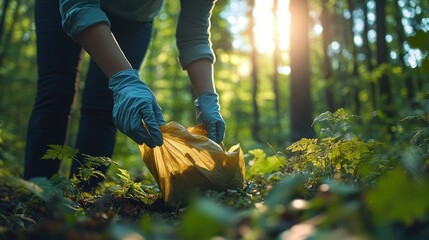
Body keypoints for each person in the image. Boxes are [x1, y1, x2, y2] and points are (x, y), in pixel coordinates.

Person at [24, 0, 226, 189]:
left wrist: (207, 97)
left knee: (103, 109)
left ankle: (82, 197)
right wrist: (123, 79)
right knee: (56, 90)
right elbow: (80, 5)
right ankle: (38, 193)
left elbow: (195, 34)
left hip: (134, 19)